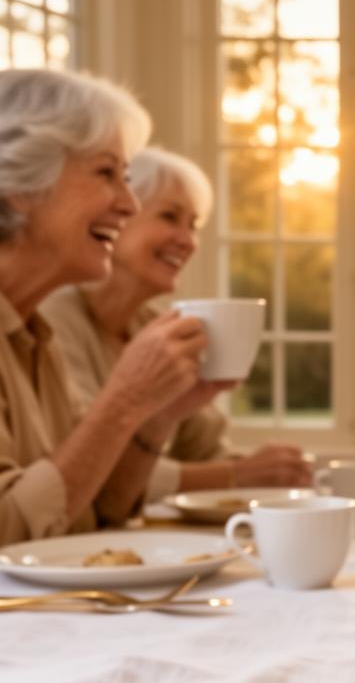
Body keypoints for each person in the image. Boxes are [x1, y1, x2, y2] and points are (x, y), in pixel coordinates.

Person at [0, 69, 228, 545]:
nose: (129, 204)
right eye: (106, 173)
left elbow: (101, 505)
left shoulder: (35, 336)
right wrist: (124, 400)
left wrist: (157, 413)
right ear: (19, 185)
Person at [41, 147, 310, 500]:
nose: (188, 242)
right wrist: (236, 475)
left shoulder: (155, 326)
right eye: (169, 217)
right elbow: (88, 471)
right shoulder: (53, 320)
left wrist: (271, 470)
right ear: (118, 217)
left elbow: (205, 451)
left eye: (193, 226)